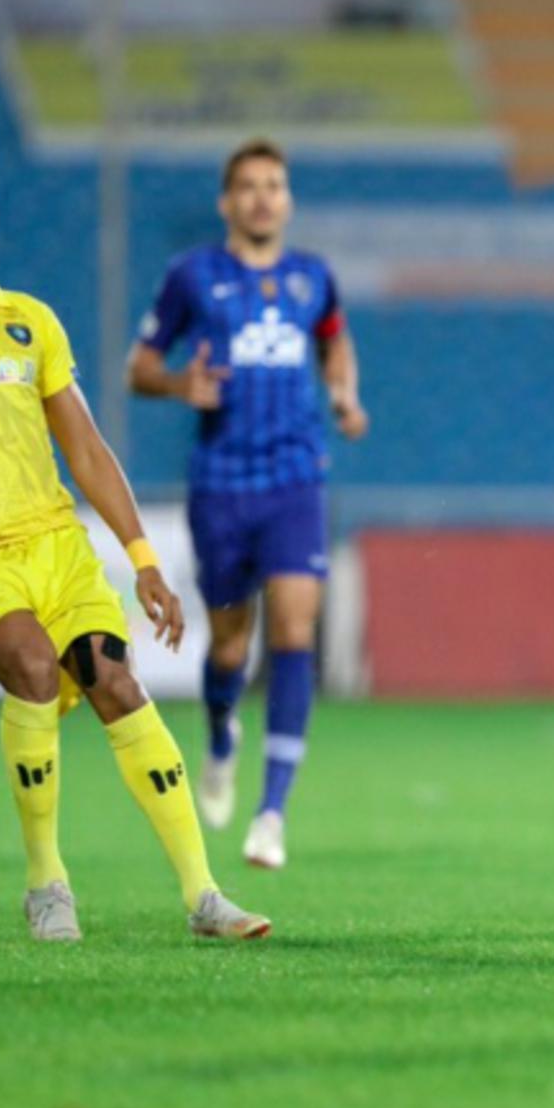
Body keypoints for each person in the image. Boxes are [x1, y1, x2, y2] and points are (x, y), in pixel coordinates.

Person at [0, 139, 271, 941]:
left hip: (56, 546)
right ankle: (46, 884)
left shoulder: (29, 321)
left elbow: (88, 451)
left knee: (118, 684)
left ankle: (205, 896)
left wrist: (143, 560)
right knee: (33, 667)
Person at [129, 137, 368, 870]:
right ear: (227, 202)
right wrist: (181, 385)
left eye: (275, 185)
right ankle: (221, 729)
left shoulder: (312, 278)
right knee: (231, 646)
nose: (263, 198)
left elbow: (335, 341)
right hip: (222, 484)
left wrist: (343, 394)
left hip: (296, 478)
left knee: (294, 630)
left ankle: (271, 814)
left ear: (287, 201)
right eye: (250, 187)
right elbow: (140, 367)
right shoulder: (193, 276)